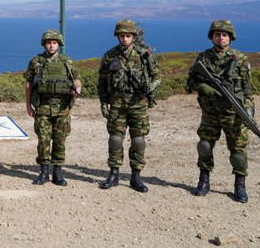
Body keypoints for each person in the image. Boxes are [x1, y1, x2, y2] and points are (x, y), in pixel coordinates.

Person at [186, 20, 255, 203]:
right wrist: (204, 87)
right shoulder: (203, 58)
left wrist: (249, 110)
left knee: (238, 150)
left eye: (224, 34)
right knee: (205, 145)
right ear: (212, 37)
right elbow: (190, 82)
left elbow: (247, 89)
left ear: (230, 37)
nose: (221, 37)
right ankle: (204, 181)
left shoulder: (240, 59)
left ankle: (240, 186)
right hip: (210, 111)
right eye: (217, 34)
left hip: (233, 112)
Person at [97, 20, 161, 193]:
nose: (125, 39)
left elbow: (157, 76)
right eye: (122, 36)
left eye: (128, 36)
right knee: (115, 139)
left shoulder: (144, 55)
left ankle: (136, 176)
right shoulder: (110, 56)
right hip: (117, 104)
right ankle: (114, 174)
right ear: (117, 36)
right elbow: (102, 82)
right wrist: (104, 103)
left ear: (133, 36)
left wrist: (151, 87)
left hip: (138, 104)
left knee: (138, 140)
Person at [24, 29, 82, 186]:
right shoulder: (36, 62)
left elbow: (76, 79)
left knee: (59, 141)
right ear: (44, 44)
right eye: (49, 43)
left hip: (62, 109)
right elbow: (29, 84)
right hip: (42, 108)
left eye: (54, 43)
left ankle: (58, 172)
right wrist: (28, 105)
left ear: (59, 44)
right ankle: (43, 172)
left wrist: (77, 89)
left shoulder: (66, 62)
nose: (51, 46)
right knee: (43, 141)